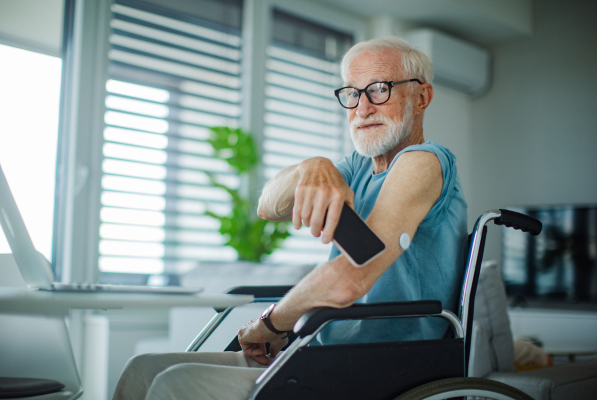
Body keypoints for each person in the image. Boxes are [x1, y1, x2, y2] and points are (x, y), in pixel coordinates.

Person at [113, 35, 468, 400]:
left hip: (381, 367)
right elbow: (268, 207)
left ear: (421, 97)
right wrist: (311, 167)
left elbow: (349, 279)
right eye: (352, 93)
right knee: (142, 369)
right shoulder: (359, 168)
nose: (362, 108)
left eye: (379, 89)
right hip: (322, 354)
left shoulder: (423, 162)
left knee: (177, 385)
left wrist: (269, 324)